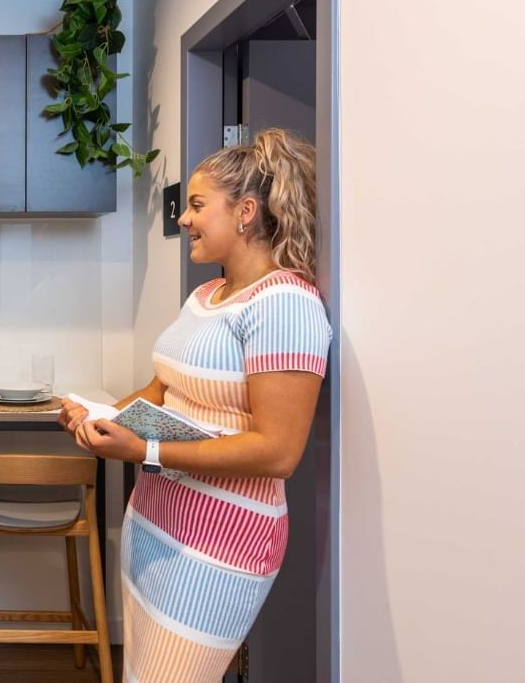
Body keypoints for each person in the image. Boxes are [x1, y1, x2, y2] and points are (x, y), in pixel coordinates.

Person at [59, 129, 331, 682]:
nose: (183, 218)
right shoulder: (207, 296)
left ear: (246, 212)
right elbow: (163, 391)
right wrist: (101, 417)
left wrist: (147, 450)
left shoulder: (286, 304)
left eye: (198, 206)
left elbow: (279, 453)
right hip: (157, 526)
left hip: (220, 544)